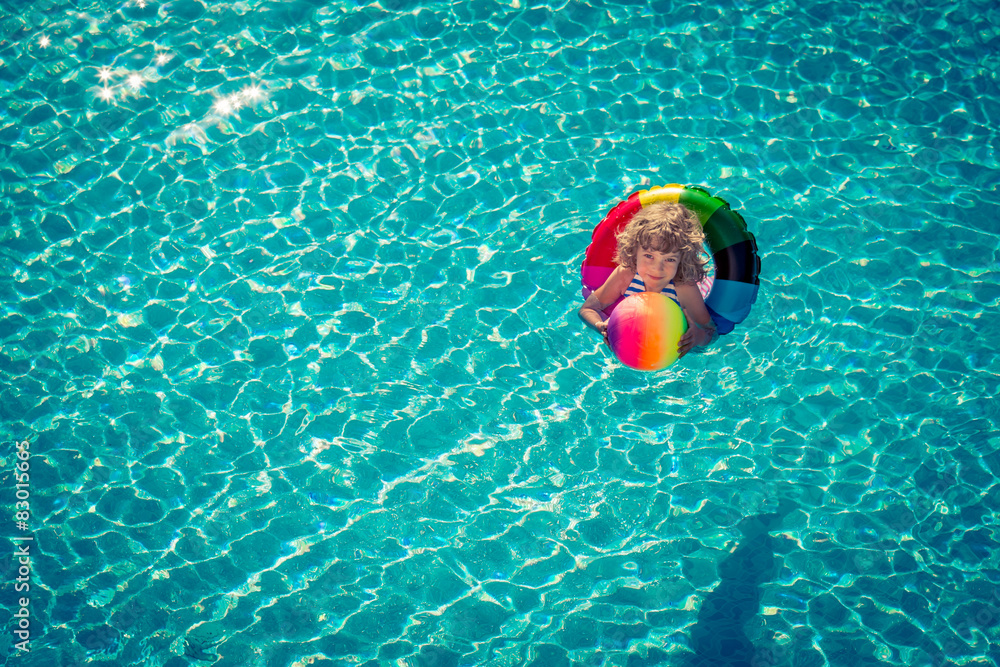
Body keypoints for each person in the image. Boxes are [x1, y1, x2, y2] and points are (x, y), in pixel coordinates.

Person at [578, 202, 716, 357]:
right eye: (649, 256)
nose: (657, 268)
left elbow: (710, 331)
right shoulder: (627, 274)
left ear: (681, 259)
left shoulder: (684, 287)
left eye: (669, 259)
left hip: (700, 291)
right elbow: (587, 309)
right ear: (635, 251)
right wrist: (600, 326)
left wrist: (697, 337)